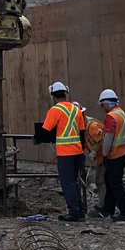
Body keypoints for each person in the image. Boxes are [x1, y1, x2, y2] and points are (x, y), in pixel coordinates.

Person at [41, 81, 86, 221]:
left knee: (68, 183)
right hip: (78, 152)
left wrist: (36, 139)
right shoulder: (75, 109)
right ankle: (80, 211)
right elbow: (82, 132)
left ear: (53, 96)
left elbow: (45, 131)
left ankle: (74, 213)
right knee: (74, 181)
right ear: (65, 93)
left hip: (65, 154)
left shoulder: (54, 111)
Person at [97, 88, 125, 222]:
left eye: (102, 105)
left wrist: (104, 154)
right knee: (110, 180)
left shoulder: (111, 117)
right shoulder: (122, 113)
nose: (103, 108)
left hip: (116, 155)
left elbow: (108, 138)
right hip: (124, 152)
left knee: (115, 183)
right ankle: (108, 208)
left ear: (106, 103)